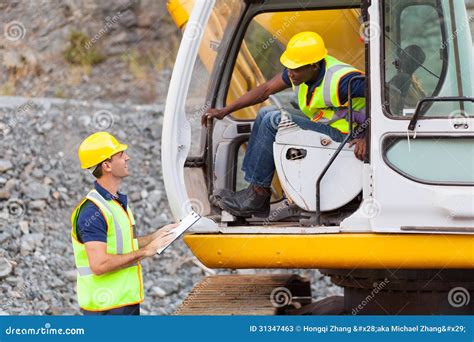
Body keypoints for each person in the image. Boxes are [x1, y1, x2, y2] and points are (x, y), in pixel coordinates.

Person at [201, 32, 368, 217]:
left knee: (274, 120)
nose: (290, 73)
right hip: (326, 127)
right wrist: (225, 110)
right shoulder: (302, 72)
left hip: (346, 137)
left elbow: (389, 98)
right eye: (288, 67)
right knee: (265, 112)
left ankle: (257, 195)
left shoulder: (343, 81)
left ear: (313, 65)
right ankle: (256, 191)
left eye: (294, 68)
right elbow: (265, 91)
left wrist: (367, 137)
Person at [71, 132, 177, 315]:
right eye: (120, 155)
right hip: (105, 311)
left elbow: (123, 245)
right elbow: (99, 265)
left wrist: (156, 236)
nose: (127, 157)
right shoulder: (93, 211)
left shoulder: (114, 203)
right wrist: (146, 251)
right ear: (107, 166)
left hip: (123, 304)